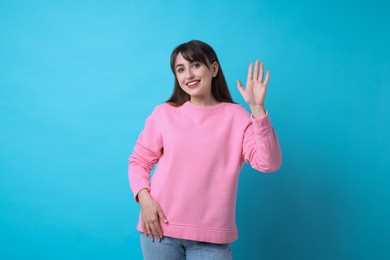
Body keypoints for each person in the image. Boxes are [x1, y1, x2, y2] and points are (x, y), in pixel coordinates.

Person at [128, 40, 282, 259]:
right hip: (159, 230)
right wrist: (145, 200)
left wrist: (257, 110)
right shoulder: (163, 114)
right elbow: (138, 161)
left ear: (214, 68)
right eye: (181, 69)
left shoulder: (237, 117)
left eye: (196, 65)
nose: (188, 75)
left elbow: (269, 163)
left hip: (212, 239)